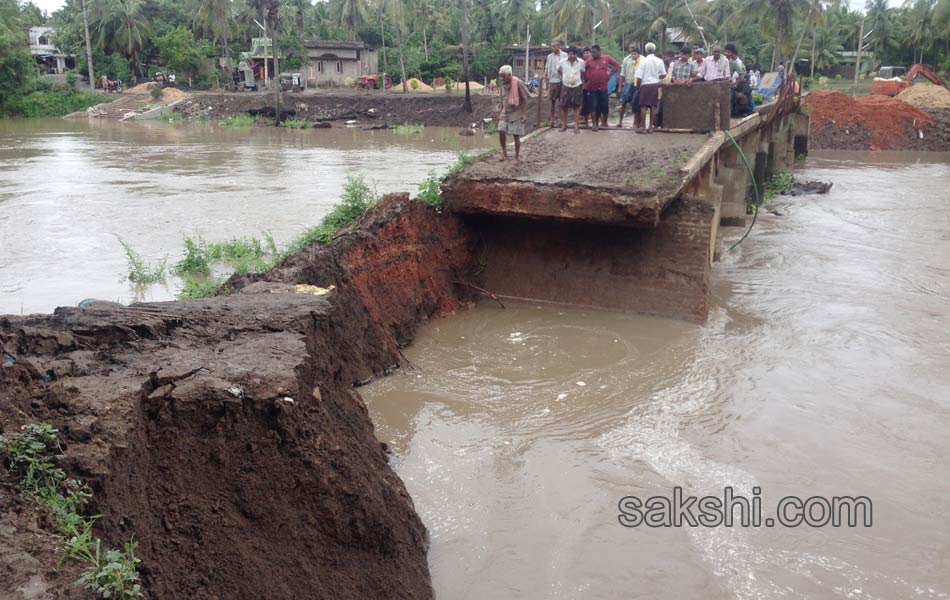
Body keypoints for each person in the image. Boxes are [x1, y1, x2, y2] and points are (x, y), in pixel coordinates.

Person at [583, 44, 620, 131]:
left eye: (594, 52)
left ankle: (604, 122)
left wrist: (610, 75)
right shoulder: (589, 61)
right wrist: (586, 79)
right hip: (592, 87)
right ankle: (594, 124)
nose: (593, 54)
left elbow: (616, 65)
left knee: (604, 106)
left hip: (603, 87)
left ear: (599, 52)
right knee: (593, 105)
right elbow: (582, 69)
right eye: (592, 52)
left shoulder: (606, 58)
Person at [496, 65, 530, 161]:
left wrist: (524, 114)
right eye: (500, 76)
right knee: (501, 130)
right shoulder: (502, 84)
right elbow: (502, 98)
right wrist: (500, 111)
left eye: (503, 76)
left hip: (516, 112)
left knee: (516, 134)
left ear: (509, 75)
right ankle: (504, 153)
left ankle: (517, 156)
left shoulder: (518, 83)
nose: (501, 78)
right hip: (505, 111)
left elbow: (526, 98)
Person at [634, 42, 666, 133]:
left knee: (643, 107)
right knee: (652, 106)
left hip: (645, 85)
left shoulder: (643, 61)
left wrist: (637, 88)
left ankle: (643, 128)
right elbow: (663, 74)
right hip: (654, 85)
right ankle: (651, 127)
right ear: (654, 50)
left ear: (645, 50)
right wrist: (656, 76)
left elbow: (639, 77)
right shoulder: (659, 61)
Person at [558, 46, 585, 133]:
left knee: (576, 106)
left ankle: (576, 126)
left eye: (573, 54)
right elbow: (558, 70)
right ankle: (564, 125)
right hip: (565, 85)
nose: (572, 56)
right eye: (570, 54)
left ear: (576, 54)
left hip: (577, 85)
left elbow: (583, 72)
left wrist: (578, 79)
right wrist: (564, 77)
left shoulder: (581, 62)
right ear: (568, 54)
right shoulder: (562, 62)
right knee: (563, 106)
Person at [617, 44, 641, 128]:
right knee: (623, 103)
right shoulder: (626, 60)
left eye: (633, 48)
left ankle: (635, 122)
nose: (631, 49)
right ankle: (620, 122)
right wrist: (620, 86)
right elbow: (622, 74)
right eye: (630, 48)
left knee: (635, 103)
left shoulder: (641, 60)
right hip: (627, 83)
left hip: (637, 84)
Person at [544, 41, 566, 127]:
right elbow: (547, 67)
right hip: (552, 81)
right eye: (552, 46)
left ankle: (561, 120)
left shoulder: (564, 55)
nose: (552, 48)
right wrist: (545, 75)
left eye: (554, 46)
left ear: (558, 46)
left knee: (561, 101)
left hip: (562, 81)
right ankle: (552, 120)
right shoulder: (550, 56)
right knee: (552, 101)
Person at [579, 48, 593, 128]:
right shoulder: (583, 63)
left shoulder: (592, 62)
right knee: (585, 104)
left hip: (593, 86)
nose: (586, 55)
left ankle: (599, 121)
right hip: (586, 86)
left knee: (593, 104)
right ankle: (585, 120)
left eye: (587, 53)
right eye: (584, 54)